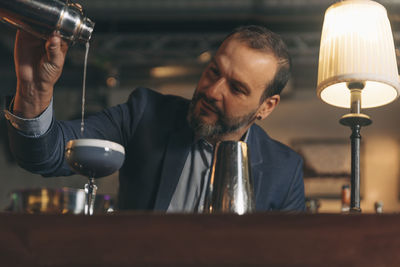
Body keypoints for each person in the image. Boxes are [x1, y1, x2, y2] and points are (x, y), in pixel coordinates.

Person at [5, 25, 305, 212]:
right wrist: (34, 89)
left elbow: (292, 256)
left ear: (266, 106)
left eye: (237, 88)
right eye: (214, 71)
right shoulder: (146, 114)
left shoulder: (285, 170)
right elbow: (44, 155)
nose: (213, 91)